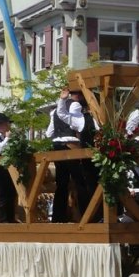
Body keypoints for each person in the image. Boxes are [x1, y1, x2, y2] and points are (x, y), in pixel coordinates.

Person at [48, 88, 91, 223]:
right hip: (71, 145)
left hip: (57, 146)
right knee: (80, 181)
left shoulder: (53, 111)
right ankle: (87, 216)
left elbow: (49, 133)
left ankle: (58, 218)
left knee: (62, 183)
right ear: (78, 95)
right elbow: (77, 125)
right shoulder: (75, 105)